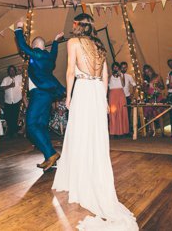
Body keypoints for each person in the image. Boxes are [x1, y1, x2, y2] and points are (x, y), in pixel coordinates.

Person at [52, 13, 139, 230]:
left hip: (82, 89)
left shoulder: (73, 42)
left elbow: (71, 71)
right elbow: (105, 75)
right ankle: (91, 176)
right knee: (94, 138)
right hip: (96, 92)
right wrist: (103, 99)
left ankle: (79, 181)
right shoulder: (100, 46)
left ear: (77, 25)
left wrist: (69, 96)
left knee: (79, 134)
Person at [14, 19, 65, 170]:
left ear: (36, 46)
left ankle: (51, 153)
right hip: (48, 95)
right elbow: (54, 53)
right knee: (41, 126)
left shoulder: (37, 54)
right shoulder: (49, 58)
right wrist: (55, 41)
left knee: (30, 126)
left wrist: (18, 29)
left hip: (39, 94)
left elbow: (23, 46)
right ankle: (49, 158)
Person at [142, 65, 166, 137]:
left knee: (159, 113)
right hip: (149, 97)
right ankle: (151, 130)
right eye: (146, 72)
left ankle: (162, 132)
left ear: (151, 69)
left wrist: (156, 87)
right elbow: (145, 90)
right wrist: (145, 86)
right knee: (149, 114)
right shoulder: (145, 79)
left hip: (157, 96)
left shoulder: (157, 76)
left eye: (148, 71)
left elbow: (163, 87)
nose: (148, 73)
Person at [0, 65, 23, 138]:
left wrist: (21, 70)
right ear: (8, 72)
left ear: (15, 71)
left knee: (16, 117)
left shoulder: (19, 77)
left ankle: (15, 132)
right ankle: (10, 132)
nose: (12, 71)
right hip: (8, 101)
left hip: (17, 100)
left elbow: (26, 75)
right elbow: (1, 88)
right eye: (10, 70)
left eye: (13, 70)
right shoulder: (5, 79)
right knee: (9, 117)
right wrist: (9, 86)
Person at [108, 62, 129, 138]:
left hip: (120, 93)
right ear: (112, 68)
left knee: (122, 111)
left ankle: (122, 131)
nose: (115, 68)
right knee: (113, 112)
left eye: (117, 67)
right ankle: (113, 132)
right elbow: (107, 83)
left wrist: (120, 76)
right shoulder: (109, 75)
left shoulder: (121, 75)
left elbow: (123, 85)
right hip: (113, 94)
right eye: (114, 67)